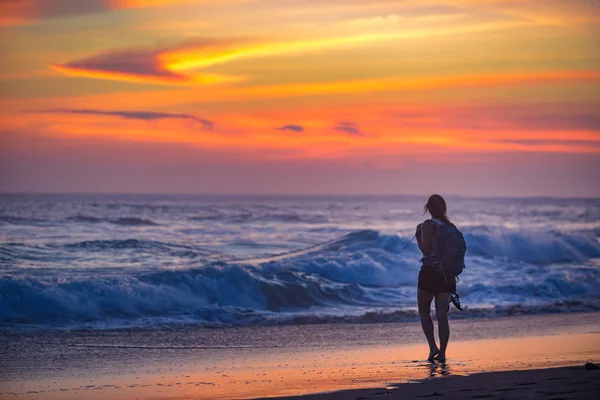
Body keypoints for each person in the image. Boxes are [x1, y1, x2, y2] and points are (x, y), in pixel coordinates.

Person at [416, 194, 455, 363]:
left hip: (430, 272)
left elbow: (425, 250)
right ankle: (443, 353)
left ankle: (433, 348)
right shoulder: (450, 226)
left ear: (428, 208)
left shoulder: (427, 225)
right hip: (447, 275)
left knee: (424, 311)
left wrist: (418, 235)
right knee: (442, 316)